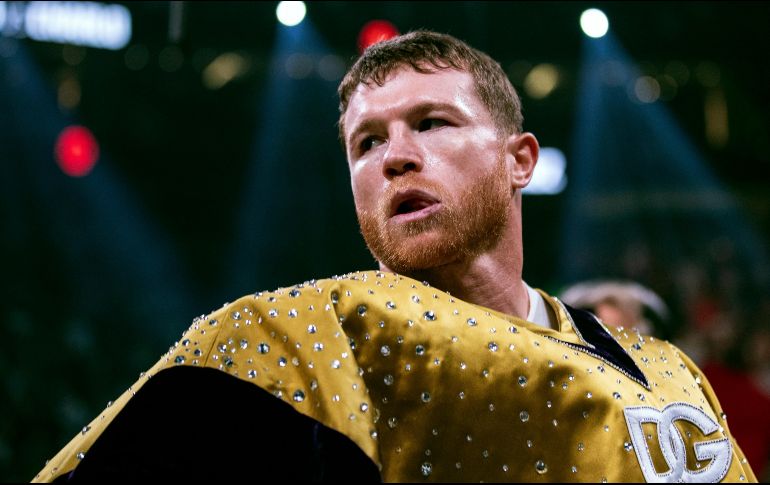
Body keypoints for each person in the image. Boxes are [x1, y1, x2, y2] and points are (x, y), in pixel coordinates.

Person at [34, 30, 756, 483]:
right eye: (366, 143)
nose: (396, 158)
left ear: (520, 160)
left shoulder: (670, 370)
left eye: (432, 123)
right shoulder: (292, 341)